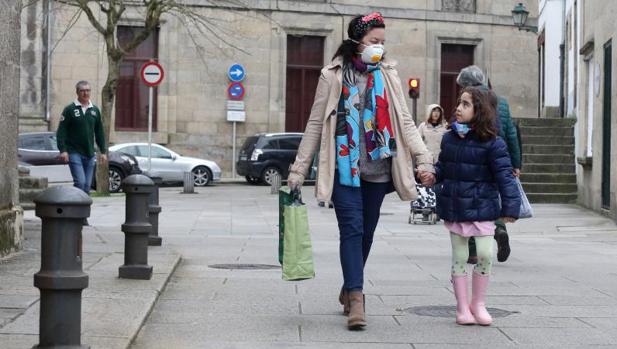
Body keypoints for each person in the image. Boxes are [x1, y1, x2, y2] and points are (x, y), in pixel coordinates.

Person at [286, 12, 435, 330]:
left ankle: (348, 285)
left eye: (382, 42)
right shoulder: (333, 75)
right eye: (373, 42)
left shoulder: (389, 74)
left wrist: (424, 159)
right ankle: (357, 297)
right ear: (356, 42)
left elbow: (405, 121)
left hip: (378, 169)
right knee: (352, 230)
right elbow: (315, 122)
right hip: (344, 168)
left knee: (366, 234)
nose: (379, 48)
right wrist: (298, 169)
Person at [434, 86, 520, 326]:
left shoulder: (494, 143)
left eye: (465, 104)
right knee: (460, 256)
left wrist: (510, 208)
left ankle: (478, 303)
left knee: (484, 254)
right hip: (456, 206)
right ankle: (462, 307)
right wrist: (432, 175)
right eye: (459, 103)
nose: (458, 109)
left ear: (480, 110)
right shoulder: (450, 138)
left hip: (483, 207)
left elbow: (505, 176)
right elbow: (443, 167)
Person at [456, 66, 521, 263]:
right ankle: (499, 228)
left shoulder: (469, 101)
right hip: (498, 155)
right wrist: (515, 163)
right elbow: (511, 133)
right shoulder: (501, 102)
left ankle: (473, 251)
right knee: (492, 198)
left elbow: (460, 129)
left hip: (473, 155)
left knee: (471, 201)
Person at [57, 80, 107, 204]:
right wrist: (63, 150)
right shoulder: (69, 109)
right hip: (74, 152)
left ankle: (82, 215)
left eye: (88, 90)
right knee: (80, 182)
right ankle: (75, 211)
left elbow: (99, 132)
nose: (85, 93)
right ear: (77, 92)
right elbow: (61, 131)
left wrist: (103, 151)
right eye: (82, 90)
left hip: (90, 153)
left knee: (87, 186)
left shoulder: (94, 110)